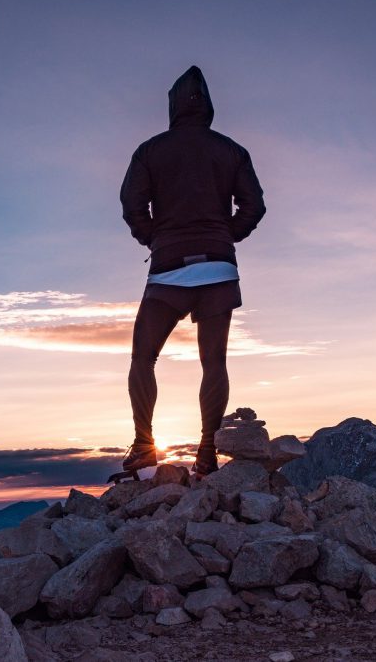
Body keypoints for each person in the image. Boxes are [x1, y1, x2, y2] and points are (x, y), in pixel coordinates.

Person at [119, 65, 266, 478]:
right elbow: (253, 207)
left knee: (143, 357)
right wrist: (225, 236)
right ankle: (206, 452)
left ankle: (145, 446)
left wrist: (156, 239)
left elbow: (133, 206)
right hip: (219, 267)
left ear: (172, 105)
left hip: (167, 270)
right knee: (213, 362)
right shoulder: (232, 150)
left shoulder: (149, 151)